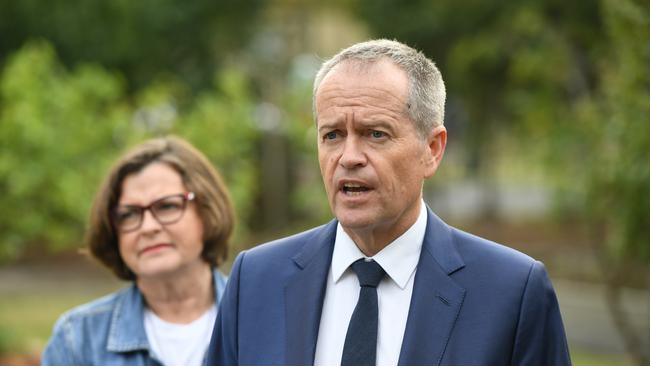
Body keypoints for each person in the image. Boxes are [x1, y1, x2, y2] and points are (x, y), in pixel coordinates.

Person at [207, 39, 571, 366]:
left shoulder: (512, 292)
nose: (349, 156)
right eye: (332, 135)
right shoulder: (256, 280)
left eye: (375, 134)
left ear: (432, 149)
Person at [42, 136, 235, 366]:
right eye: (129, 214)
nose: (148, 227)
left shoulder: (261, 321)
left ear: (207, 211)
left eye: (167, 206)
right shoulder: (77, 339)